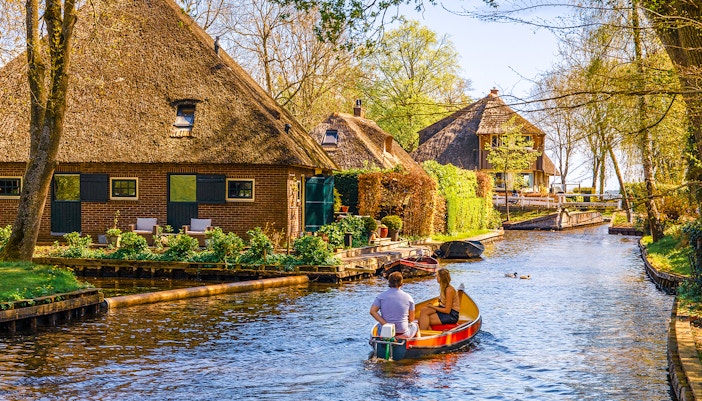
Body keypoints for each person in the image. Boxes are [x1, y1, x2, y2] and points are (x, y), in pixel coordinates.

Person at [370, 271, 420, 338]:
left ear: (389, 282)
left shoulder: (380, 296)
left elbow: (372, 311)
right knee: (416, 326)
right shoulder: (409, 298)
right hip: (403, 333)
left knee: (378, 326)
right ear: (401, 283)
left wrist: (385, 324)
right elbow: (411, 319)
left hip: (385, 332)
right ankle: (416, 345)